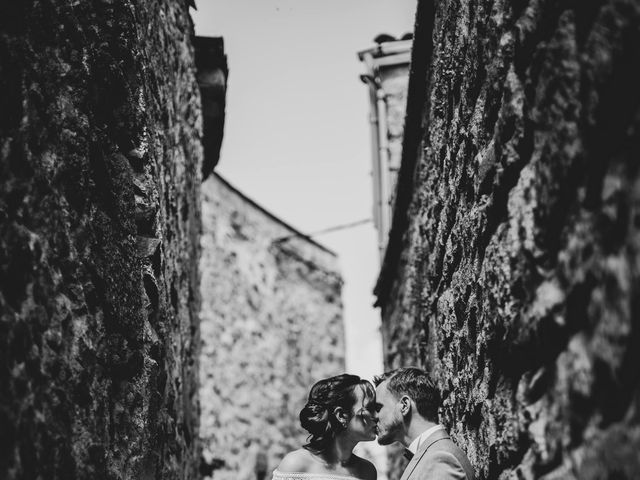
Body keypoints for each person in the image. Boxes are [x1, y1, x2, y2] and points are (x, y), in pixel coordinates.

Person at [374, 367, 474, 480]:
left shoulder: (439, 459)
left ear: (404, 406)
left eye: (378, 408)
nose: (374, 417)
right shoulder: (432, 455)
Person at [273, 374, 378, 480]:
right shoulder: (295, 465)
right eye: (370, 408)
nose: (377, 416)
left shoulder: (367, 471)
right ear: (341, 415)